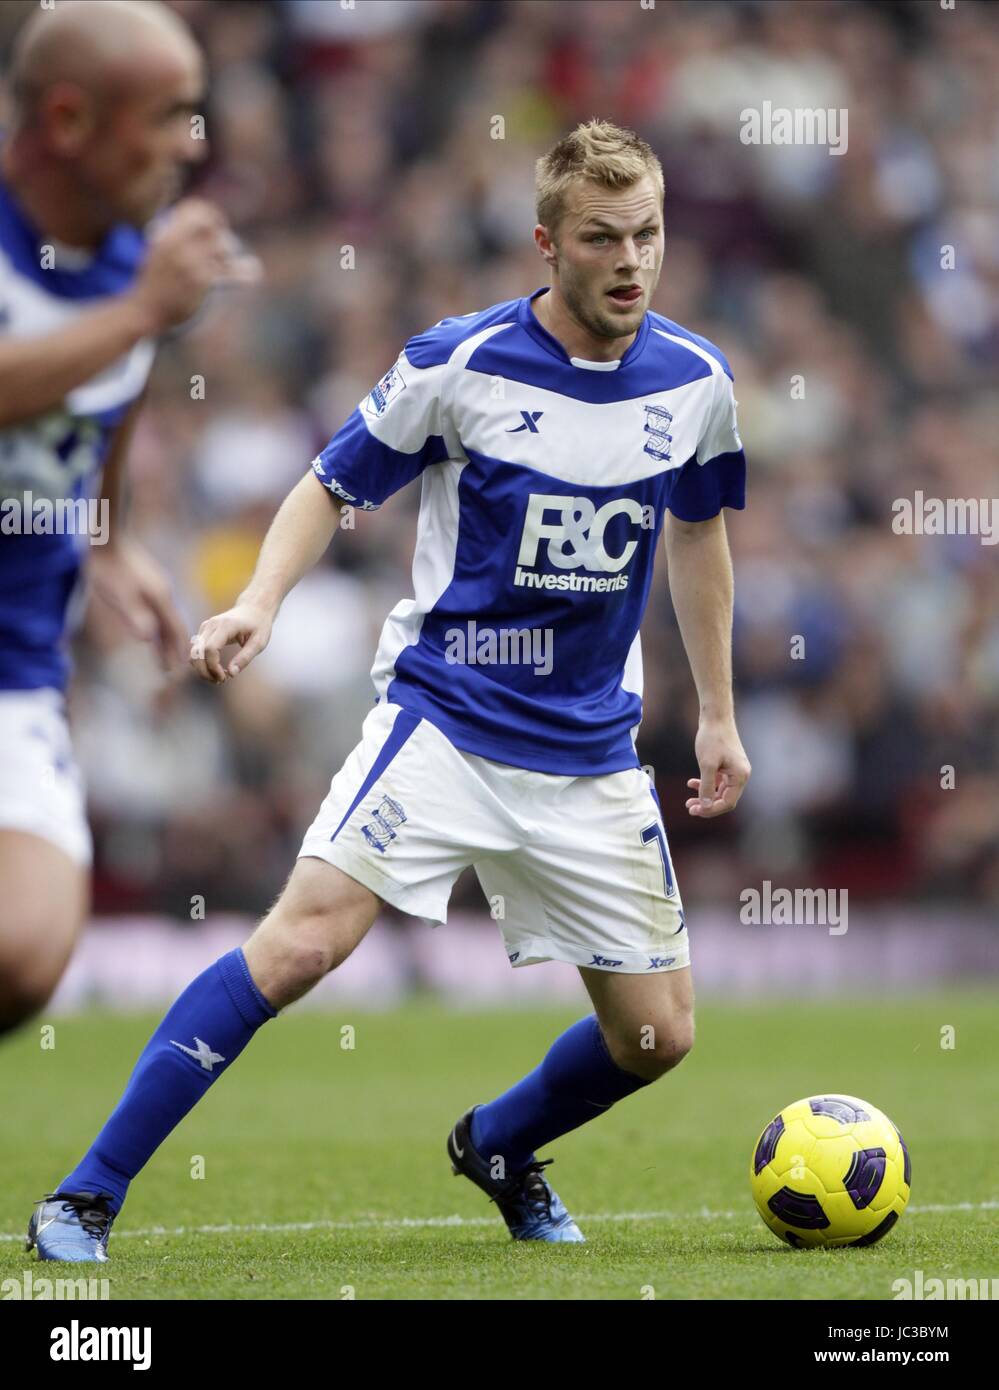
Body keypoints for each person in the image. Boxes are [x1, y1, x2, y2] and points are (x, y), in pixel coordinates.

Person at [28, 119, 750, 1260]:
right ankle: (83, 1194)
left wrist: (716, 708)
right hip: (448, 722)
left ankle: (500, 1145)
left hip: (594, 752)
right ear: (545, 244)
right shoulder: (458, 362)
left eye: (648, 234)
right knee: (300, 944)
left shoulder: (696, 383)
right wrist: (259, 600)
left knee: (658, 1039)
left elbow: (700, 533)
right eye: (603, 237)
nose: (631, 260)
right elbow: (328, 482)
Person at [0, 0, 255, 1035]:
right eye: (170, 115)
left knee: (20, 959)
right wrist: (146, 309)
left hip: (15, 667)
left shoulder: (128, 270)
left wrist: (110, 537)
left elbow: (109, 396)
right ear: (68, 120)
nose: (193, 145)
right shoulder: (141, 290)